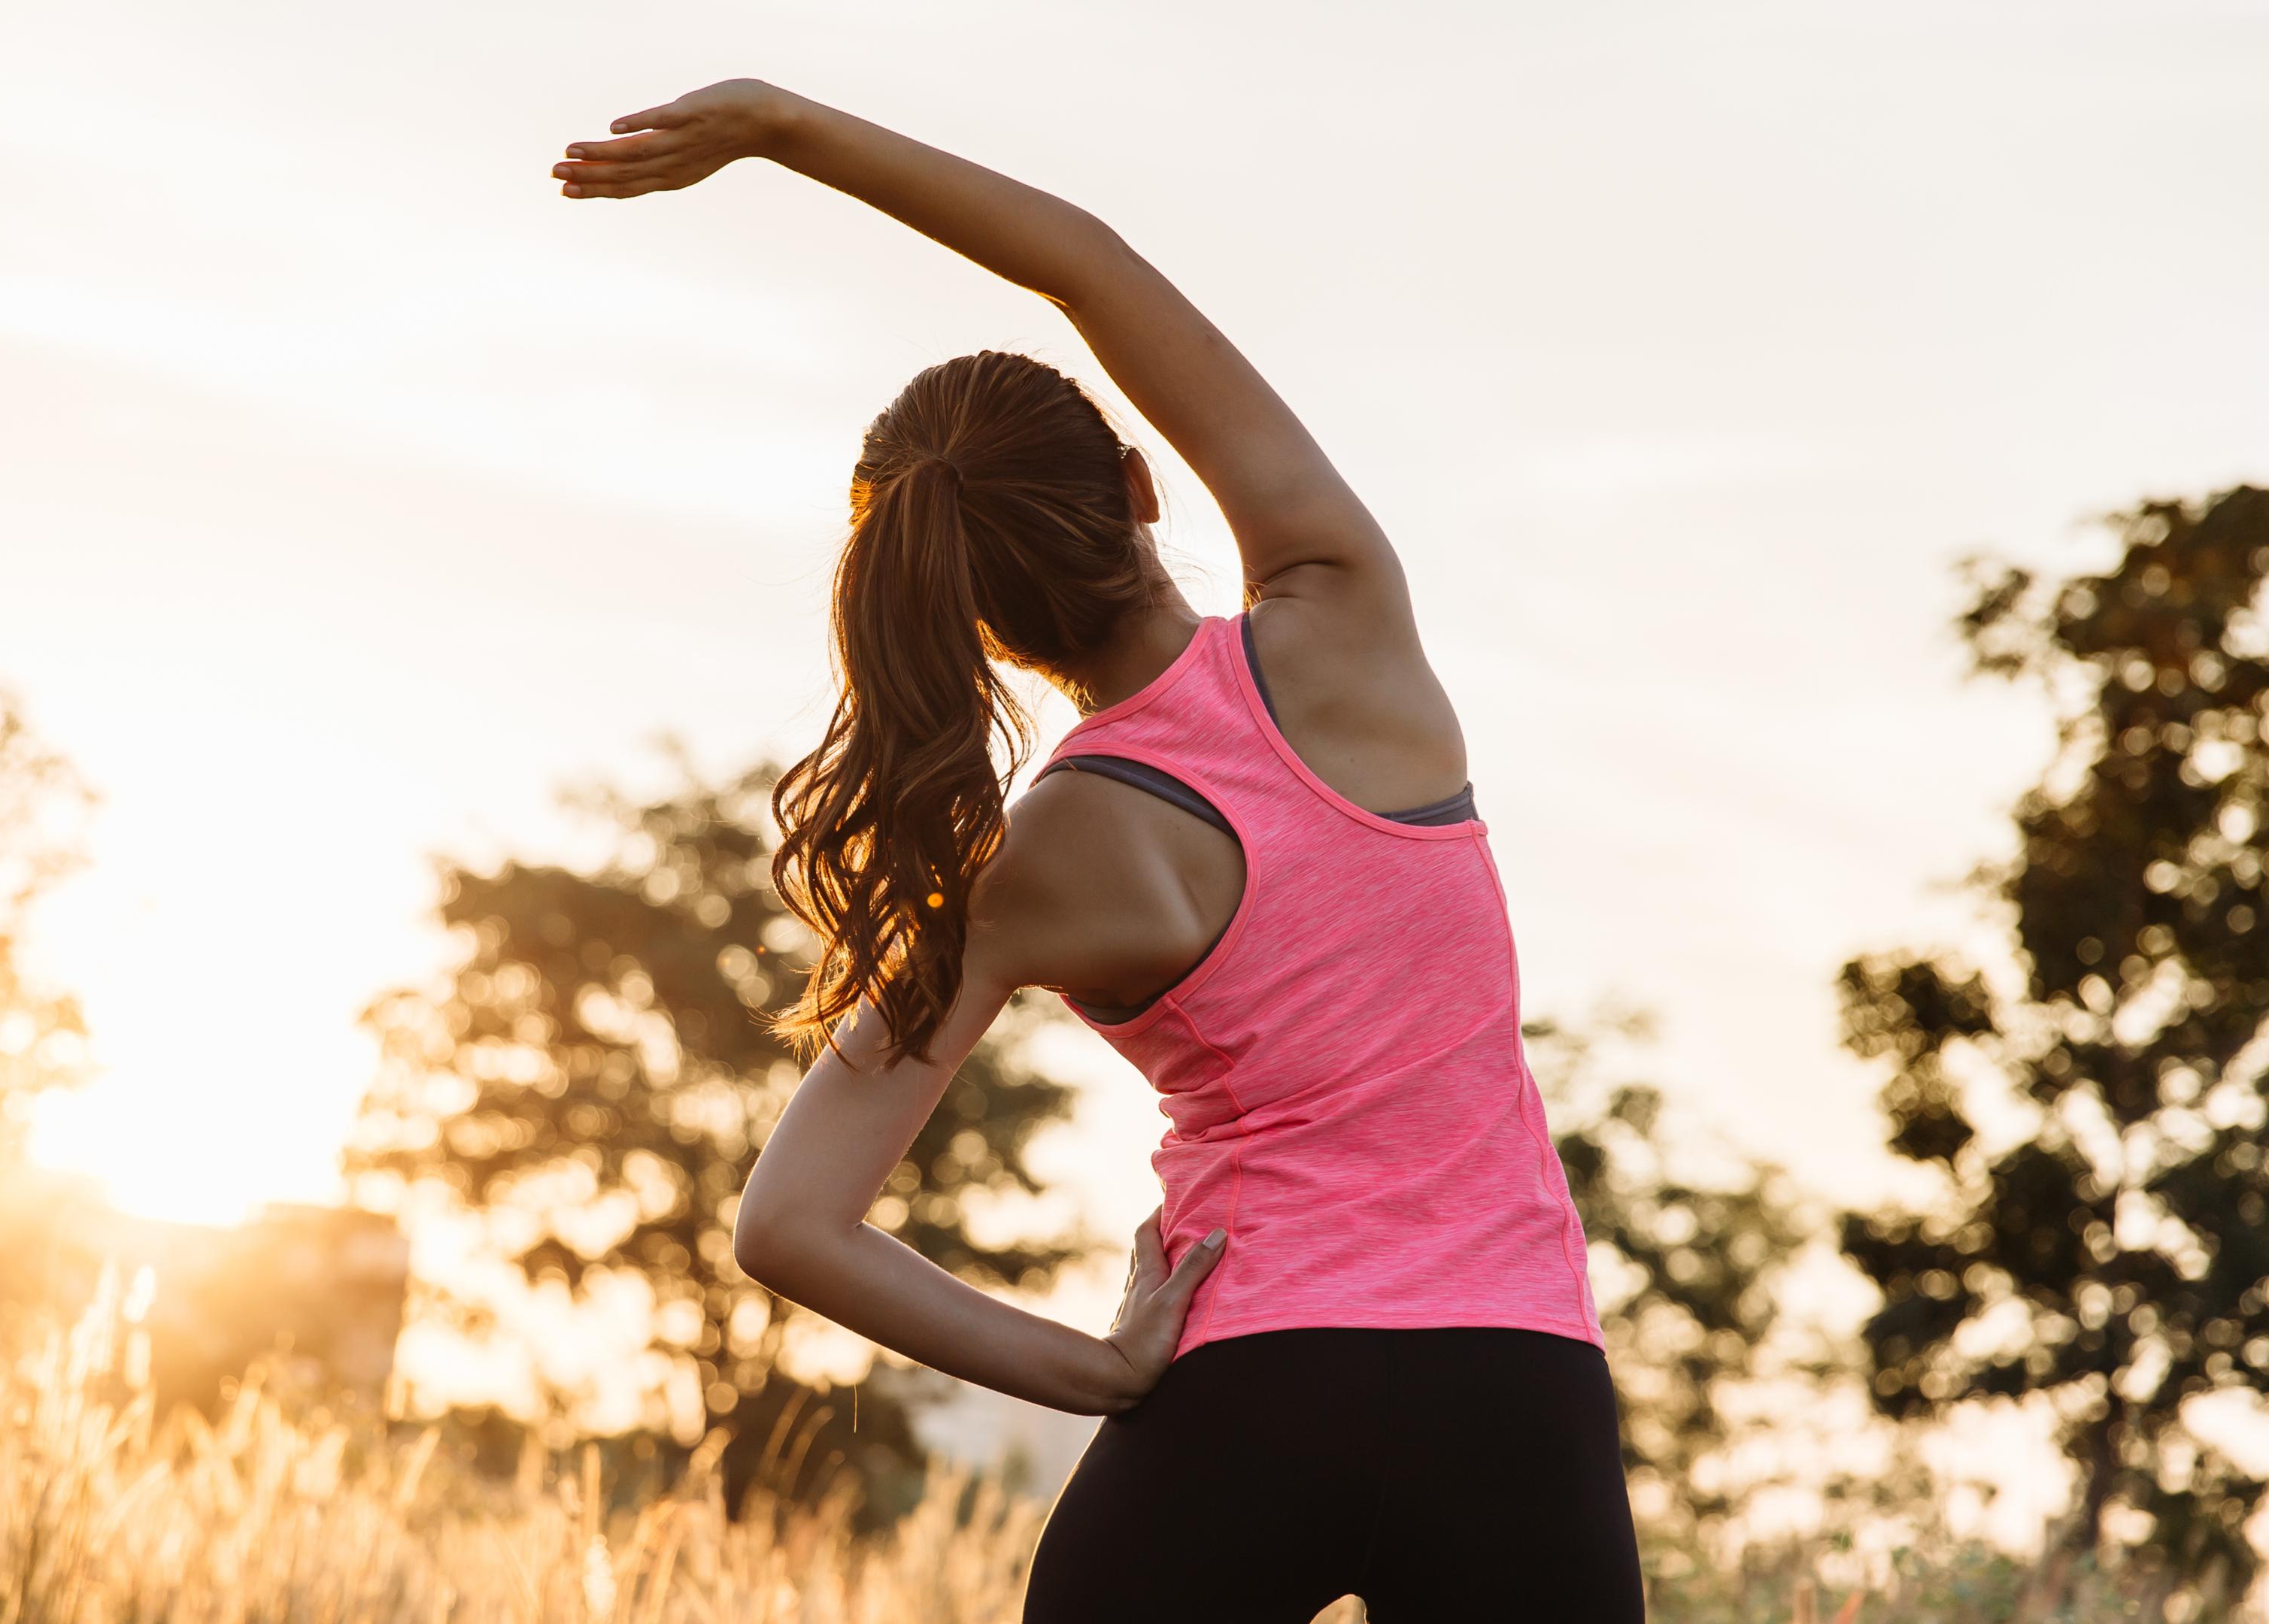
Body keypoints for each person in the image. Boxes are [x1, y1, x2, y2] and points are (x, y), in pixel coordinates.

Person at [553, 80, 1645, 1622]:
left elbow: (789, 1227)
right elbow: (1088, 265)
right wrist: (781, 130)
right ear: (1138, 487)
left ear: (973, 621)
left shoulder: (1031, 861)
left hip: (1244, 1394)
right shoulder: (1343, 620)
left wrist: (1099, 1368)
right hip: (1511, 1390)